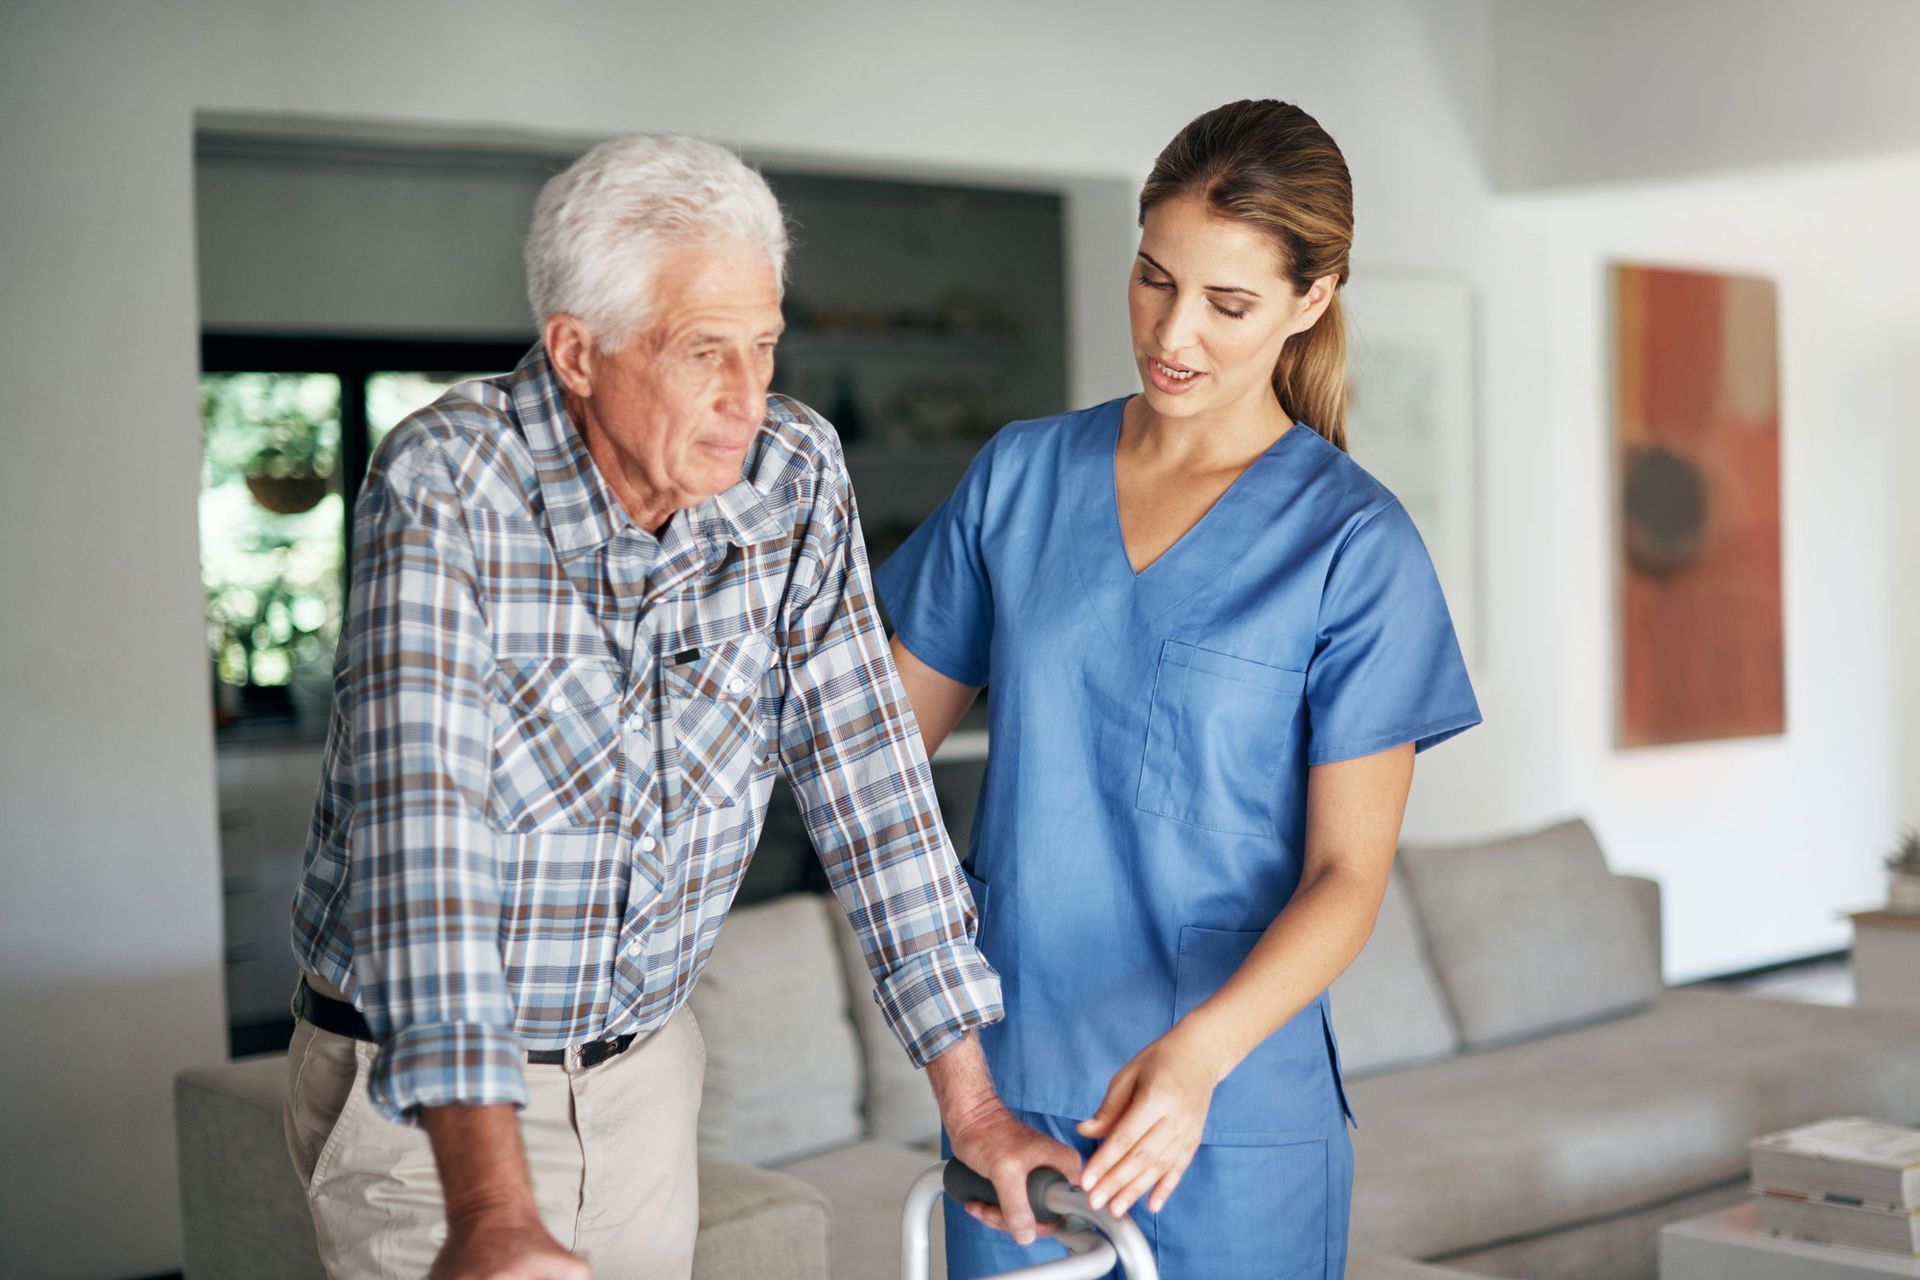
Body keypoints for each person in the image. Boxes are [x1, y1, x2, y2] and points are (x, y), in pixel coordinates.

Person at [283, 134, 1076, 1280]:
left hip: (648, 1078)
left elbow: (873, 788)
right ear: (576, 352)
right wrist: (491, 1207)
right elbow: (425, 856)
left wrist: (973, 1103)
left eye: (763, 346)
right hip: (432, 1111)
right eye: (706, 351)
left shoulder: (793, 474)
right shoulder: (446, 485)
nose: (746, 398)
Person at [876, 99, 1482, 1278]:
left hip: (1230, 1106)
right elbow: (875, 768)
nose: (1172, 332)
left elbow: (1347, 878)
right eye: (1154, 279)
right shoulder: (1019, 477)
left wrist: (1199, 1054)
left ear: (1312, 300)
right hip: (1014, 1103)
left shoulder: (1353, 546)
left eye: (1229, 302)